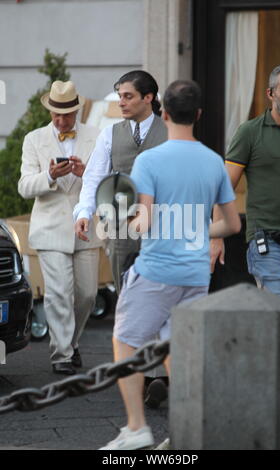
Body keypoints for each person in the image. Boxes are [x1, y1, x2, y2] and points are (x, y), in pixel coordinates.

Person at [98, 80, 241, 450]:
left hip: (156, 270)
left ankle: (136, 428)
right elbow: (232, 224)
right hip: (195, 274)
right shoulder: (212, 161)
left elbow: (142, 222)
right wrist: (195, 228)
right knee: (180, 351)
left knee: (125, 342)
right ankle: (185, 434)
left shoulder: (150, 159)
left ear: (163, 112)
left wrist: (121, 218)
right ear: (198, 115)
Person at [73, 70, 168, 406]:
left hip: (162, 229)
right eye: (119, 95)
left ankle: (159, 375)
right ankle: (137, 372)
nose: (121, 102)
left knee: (160, 298)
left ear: (149, 97)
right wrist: (84, 212)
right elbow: (95, 177)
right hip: (119, 229)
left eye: (127, 96)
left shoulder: (171, 132)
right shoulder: (110, 134)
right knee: (128, 302)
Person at [18, 80, 101, 375]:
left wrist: (85, 172)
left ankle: (71, 342)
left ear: (76, 111)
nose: (61, 120)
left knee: (88, 294)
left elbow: (109, 180)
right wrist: (49, 176)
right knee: (59, 294)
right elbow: (24, 186)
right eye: (56, 114)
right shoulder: (33, 139)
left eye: (67, 115)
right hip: (51, 228)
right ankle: (62, 354)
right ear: (50, 111)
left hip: (87, 228)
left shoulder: (97, 135)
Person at [213, 64, 280, 300]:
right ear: (270, 94)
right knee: (278, 311)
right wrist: (216, 236)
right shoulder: (250, 132)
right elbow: (224, 187)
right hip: (267, 240)